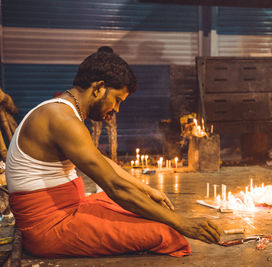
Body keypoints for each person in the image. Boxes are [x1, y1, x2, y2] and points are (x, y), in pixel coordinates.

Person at [5, 48, 220, 258]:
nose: (116, 109)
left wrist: (146, 189)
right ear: (98, 88)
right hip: (49, 226)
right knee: (166, 233)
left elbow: (103, 162)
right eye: (117, 100)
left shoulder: (62, 109)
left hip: (69, 207)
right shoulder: (63, 119)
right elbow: (114, 186)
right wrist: (182, 223)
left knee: (146, 207)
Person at [90, 46, 118, 163]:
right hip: (109, 104)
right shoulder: (113, 69)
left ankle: (92, 159)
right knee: (111, 131)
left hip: (95, 104)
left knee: (95, 132)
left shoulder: (93, 68)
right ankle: (114, 160)